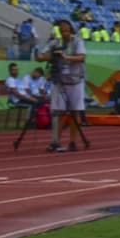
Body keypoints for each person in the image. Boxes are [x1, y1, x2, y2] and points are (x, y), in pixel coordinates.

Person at [36, 19, 87, 152]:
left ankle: (73, 141)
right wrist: (53, 57)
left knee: (76, 111)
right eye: (62, 30)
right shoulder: (55, 43)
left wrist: (65, 57)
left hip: (76, 81)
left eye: (66, 30)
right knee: (58, 112)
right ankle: (56, 141)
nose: (64, 33)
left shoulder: (77, 41)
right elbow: (39, 56)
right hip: (60, 80)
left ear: (70, 30)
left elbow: (82, 58)